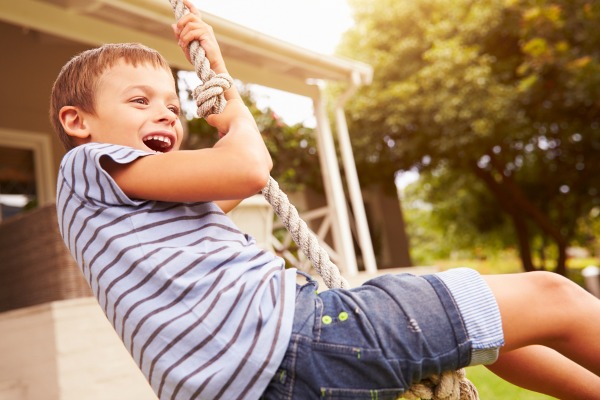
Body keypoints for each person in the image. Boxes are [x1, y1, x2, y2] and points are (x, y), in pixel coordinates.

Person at [50, 1, 600, 399]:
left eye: (174, 103)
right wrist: (234, 108)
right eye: (140, 100)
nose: (168, 113)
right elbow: (248, 166)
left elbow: (235, 183)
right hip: (290, 343)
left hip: (254, 382)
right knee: (553, 296)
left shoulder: (134, 214)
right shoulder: (88, 166)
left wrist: (216, 74)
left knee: (491, 333)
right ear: (77, 122)